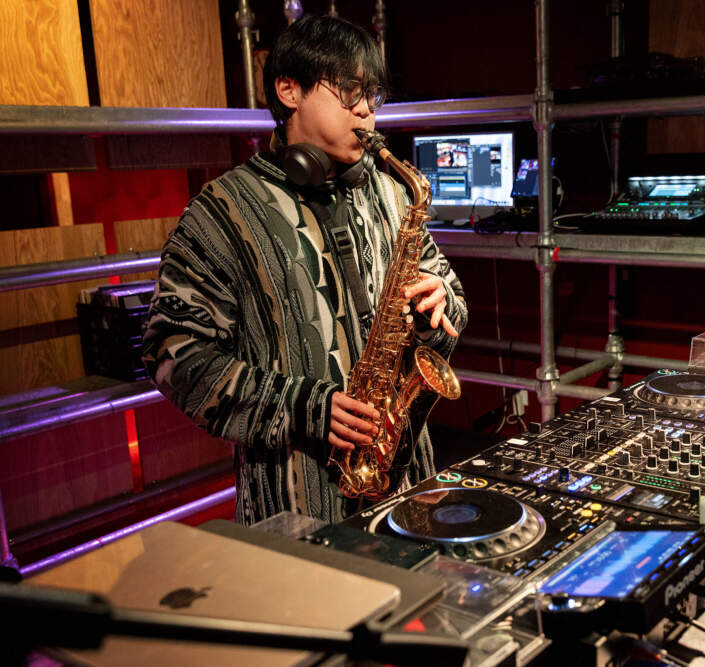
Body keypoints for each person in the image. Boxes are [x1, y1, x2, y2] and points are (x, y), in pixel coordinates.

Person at [142, 15, 467, 525]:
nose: (366, 110)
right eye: (349, 91)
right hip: (295, 505)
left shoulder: (394, 193)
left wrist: (438, 308)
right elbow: (173, 355)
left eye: (373, 95)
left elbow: (453, 304)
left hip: (410, 490)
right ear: (288, 90)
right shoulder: (221, 213)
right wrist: (305, 407)